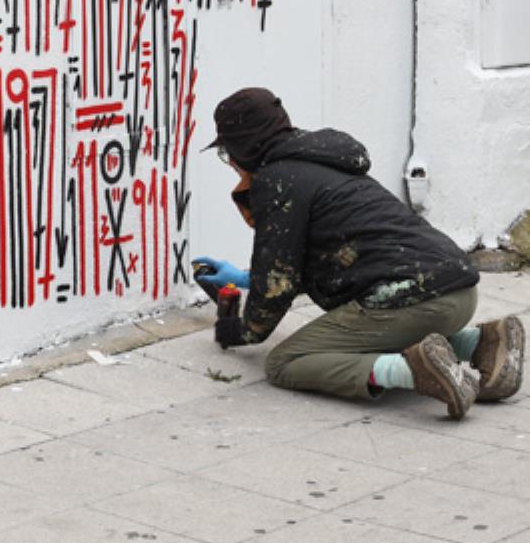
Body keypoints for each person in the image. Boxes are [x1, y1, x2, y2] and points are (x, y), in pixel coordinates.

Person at [193, 87, 524, 420]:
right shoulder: (326, 163)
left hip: (416, 304)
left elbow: (278, 280)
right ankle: (481, 343)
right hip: (460, 292)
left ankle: (415, 371)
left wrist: (245, 330)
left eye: (228, 151)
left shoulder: (276, 179)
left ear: (246, 145)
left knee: (284, 363)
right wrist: (246, 279)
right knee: (362, 332)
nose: (231, 162)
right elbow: (313, 261)